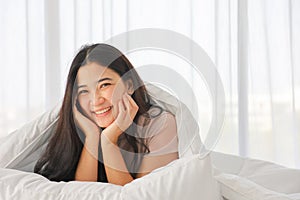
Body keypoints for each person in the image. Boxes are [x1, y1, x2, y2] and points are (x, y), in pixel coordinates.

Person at [34, 43, 178, 186]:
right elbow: (81, 195)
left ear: (129, 85)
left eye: (104, 85)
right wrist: (92, 136)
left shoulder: (159, 124)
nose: (96, 101)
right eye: (84, 91)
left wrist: (109, 141)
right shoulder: (81, 129)